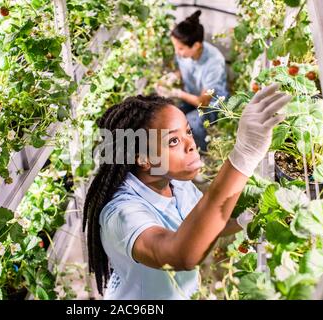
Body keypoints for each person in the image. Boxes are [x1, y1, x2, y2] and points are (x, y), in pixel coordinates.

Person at [83, 84, 290, 299]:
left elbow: (201, 226)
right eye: (173, 141)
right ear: (143, 158)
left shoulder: (177, 184)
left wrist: (242, 222)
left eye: (188, 132)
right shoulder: (121, 215)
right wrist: (244, 155)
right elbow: (179, 255)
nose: (191, 144)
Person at [156, 10, 229, 152]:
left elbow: (203, 102)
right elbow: (184, 70)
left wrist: (177, 93)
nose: (177, 52)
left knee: (190, 123)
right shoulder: (184, 55)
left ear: (196, 46)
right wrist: (173, 76)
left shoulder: (214, 62)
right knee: (169, 114)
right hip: (191, 98)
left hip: (212, 105)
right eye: (175, 47)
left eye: (180, 48)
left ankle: (201, 152)